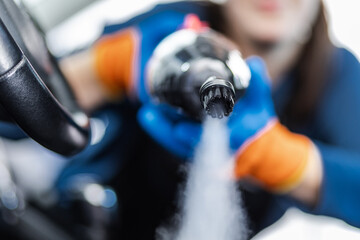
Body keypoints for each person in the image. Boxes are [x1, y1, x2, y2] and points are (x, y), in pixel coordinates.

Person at [59, 0, 360, 238]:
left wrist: (283, 159)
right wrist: (105, 68)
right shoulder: (171, 27)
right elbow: (17, 111)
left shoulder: (336, 77)